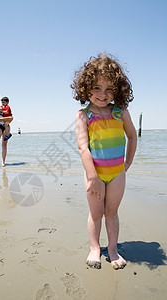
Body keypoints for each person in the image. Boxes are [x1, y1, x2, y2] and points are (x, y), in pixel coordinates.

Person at [71, 53, 137, 270]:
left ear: (117, 90)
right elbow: (83, 147)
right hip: (94, 174)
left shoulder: (120, 112)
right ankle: (94, 248)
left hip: (117, 173)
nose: (102, 94)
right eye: (97, 88)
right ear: (86, 87)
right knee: (96, 213)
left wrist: (127, 163)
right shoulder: (84, 115)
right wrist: (93, 177)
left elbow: (132, 136)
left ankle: (113, 250)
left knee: (112, 212)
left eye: (109, 89)